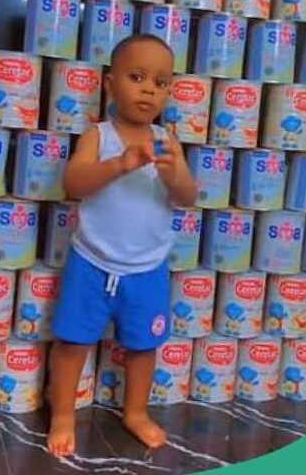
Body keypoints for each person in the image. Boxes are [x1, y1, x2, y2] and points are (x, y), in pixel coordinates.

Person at [46, 35, 197, 457]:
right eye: (137, 77)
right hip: (92, 261)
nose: (149, 88)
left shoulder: (168, 142)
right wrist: (122, 163)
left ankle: (135, 411)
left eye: (161, 82)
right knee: (73, 341)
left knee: (143, 346)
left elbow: (187, 197)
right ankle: (62, 413)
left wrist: (173, 174)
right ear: (111, 84)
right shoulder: (99, 136)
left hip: (147, 268)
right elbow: (74, 183)